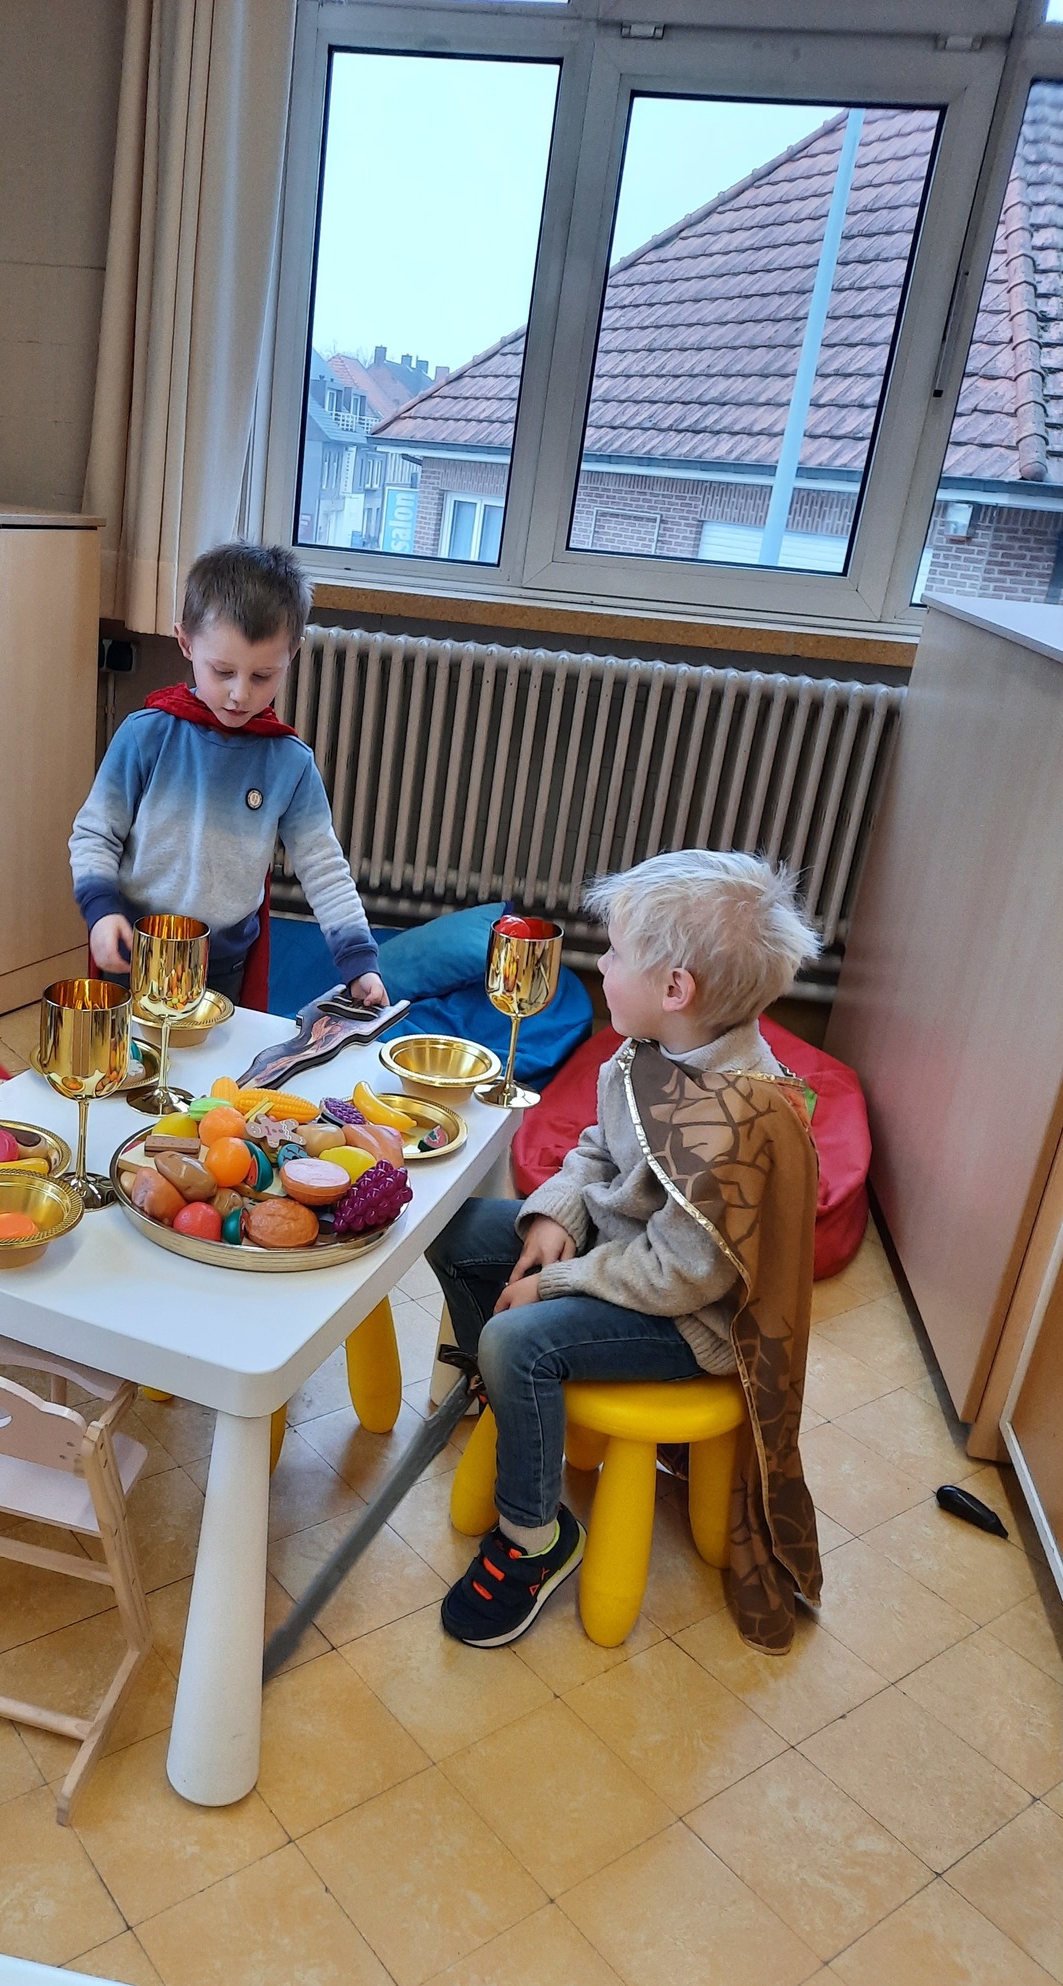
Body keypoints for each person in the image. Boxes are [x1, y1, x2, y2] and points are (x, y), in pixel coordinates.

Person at [429, 850, 824, 1651]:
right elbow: (598, 1149)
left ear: (675, 989)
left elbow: (680, 1276)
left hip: (685, 1319)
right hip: (625, 1254)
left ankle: (533, 1541)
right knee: (454, 1232)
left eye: (614, 953)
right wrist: (557, 1215)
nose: (600, 964)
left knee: (517, 1341)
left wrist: (555, 1285)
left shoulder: (737, 1127)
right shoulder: (650, 1048)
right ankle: (506, 1394)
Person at [70, 541, 388, 1008]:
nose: (240, 694)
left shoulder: (290, 763)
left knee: (216, 1059)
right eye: (223, 671)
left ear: (292, 654)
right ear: (186, 642)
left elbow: (324, 867)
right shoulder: (145, 735)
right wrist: (100, 911)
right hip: (134, 952)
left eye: (262, 676)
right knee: (128, 1056)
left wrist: (359, 961)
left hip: (222, 968)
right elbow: (95, 833)